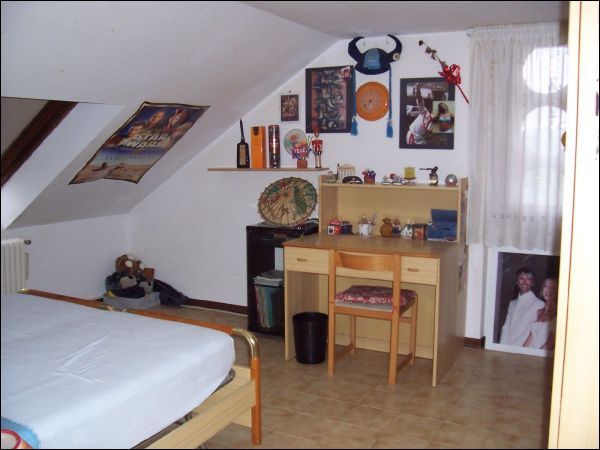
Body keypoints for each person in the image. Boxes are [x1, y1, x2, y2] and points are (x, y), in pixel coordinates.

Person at [499, 267, 546, 346]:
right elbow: (506, 327)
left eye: (528, 279)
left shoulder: (539, 304)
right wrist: (502, 347)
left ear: (532, 283)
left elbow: (533, 332)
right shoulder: (512, 303)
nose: (524, 282)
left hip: (523, 347)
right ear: (517, 282)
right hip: (508, 346)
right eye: (521, 278)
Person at [523, 277, 558, 350]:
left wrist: (534, 355)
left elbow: (550, 343)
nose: (548, 290)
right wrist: (520, 352)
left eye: (553, 288)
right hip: (530, 352)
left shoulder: (558, 314)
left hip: (540, 354)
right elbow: (529, 339)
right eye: (546, 286)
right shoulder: (539, 312)